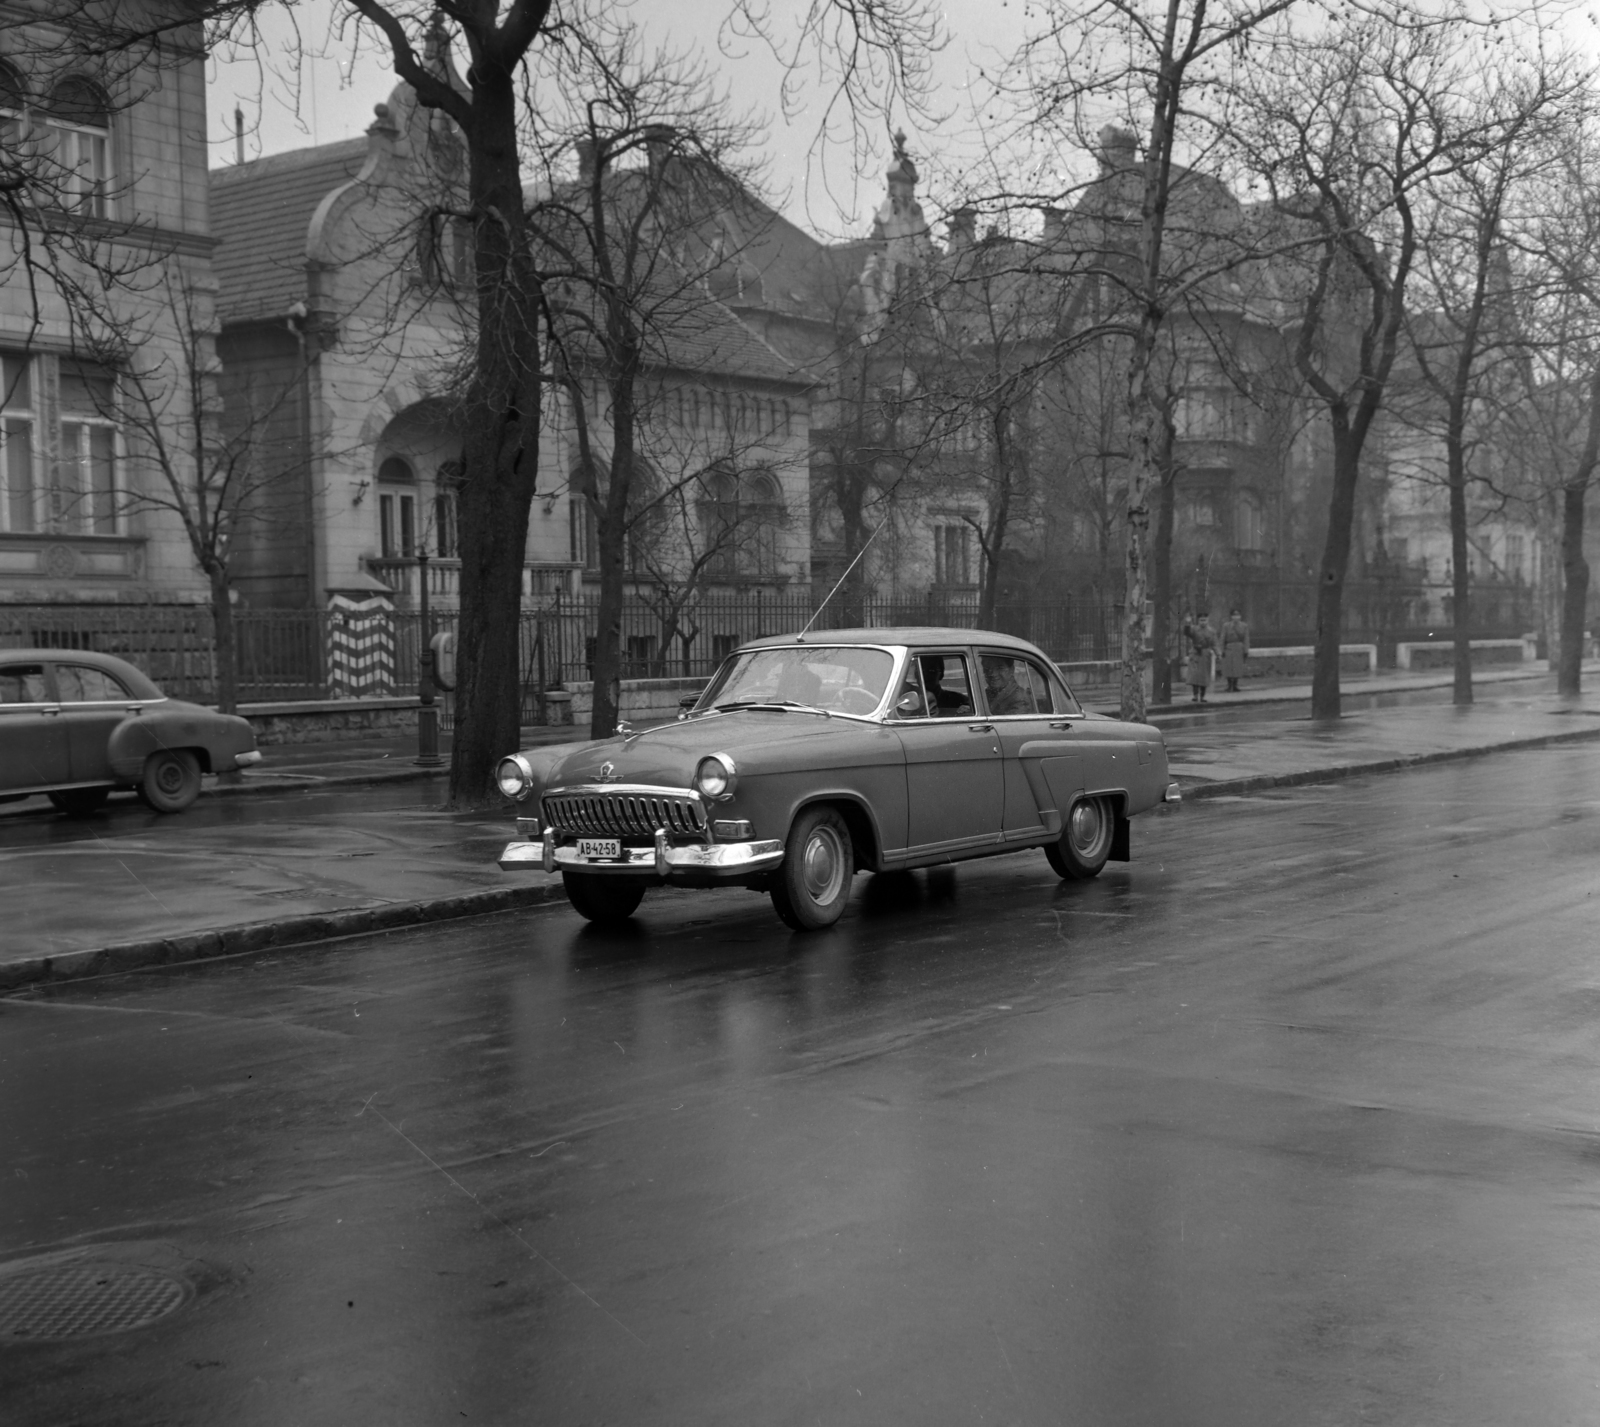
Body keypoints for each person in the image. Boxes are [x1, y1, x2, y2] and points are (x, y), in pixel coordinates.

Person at [1184, 611, 1217, 703]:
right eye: (1201, 620)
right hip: (1195, 654)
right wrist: (1187, 623)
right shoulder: (1194, 629)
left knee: (1204, 677)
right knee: (1194, 676)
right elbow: (1187, 633)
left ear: (1208, 620)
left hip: (1205, 654)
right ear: (1198, 621)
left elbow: (1214, 644)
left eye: (1205, 620)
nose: (1203, 622)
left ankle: (1202, 696)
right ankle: (1195, 695)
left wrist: (1218, 654)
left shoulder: (1212, 631)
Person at [1219, 607, 1250, 693]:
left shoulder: (1244, 626)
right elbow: (1222, 638)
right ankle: (1229, 685)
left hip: (1239, 648)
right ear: (1231, 616)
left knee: (1237, 667)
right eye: (1234, 615)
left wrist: (1246, 650)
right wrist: (1221, 650)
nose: (1236, 617)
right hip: (1229, 648)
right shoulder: (1226, 626)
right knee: (1228, 667)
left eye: (1238, 615)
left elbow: (1246, 639)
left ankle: (1235, 685)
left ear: (1240, 616)